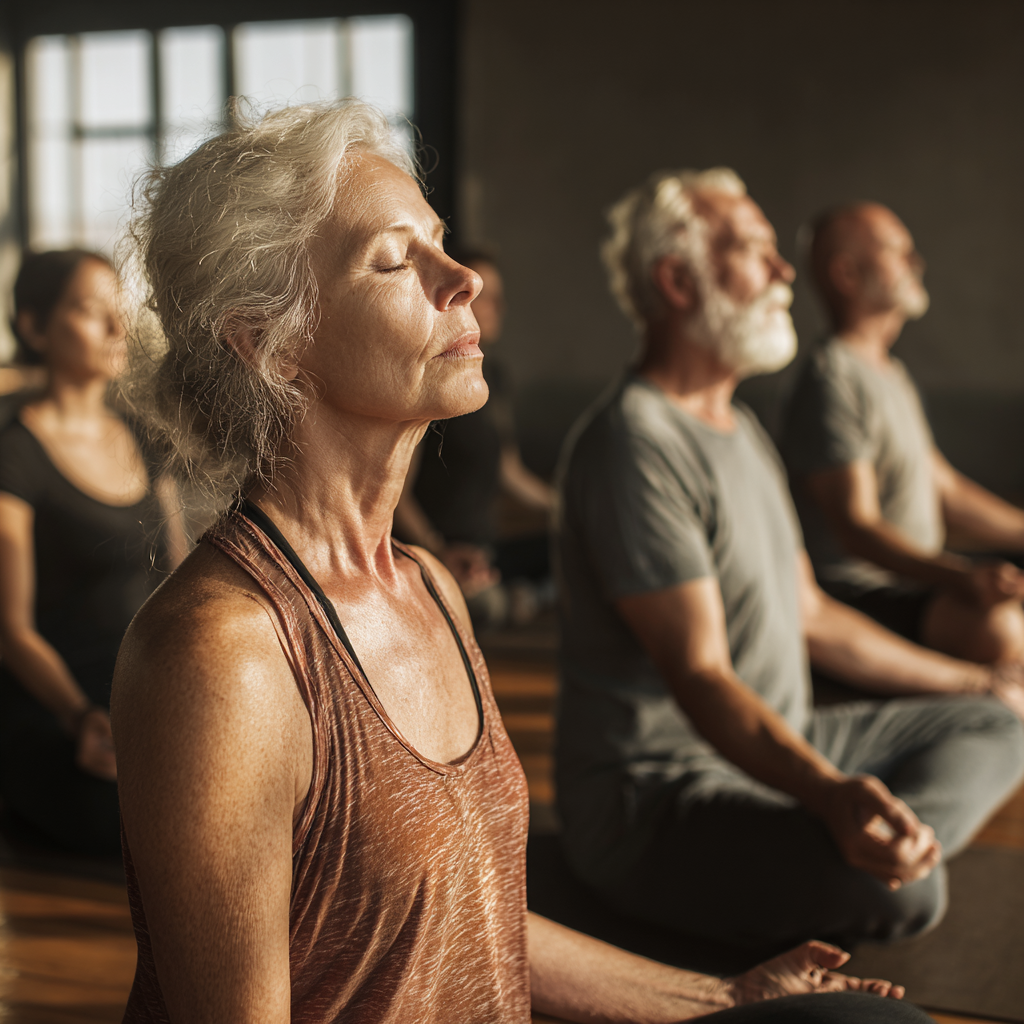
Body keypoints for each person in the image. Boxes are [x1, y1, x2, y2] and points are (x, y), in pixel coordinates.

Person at [110, 102, 920, 1023]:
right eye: (394, 259)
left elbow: (477, 913)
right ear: (273, 346)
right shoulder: (223, 656)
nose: (461, 280)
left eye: (440, 243)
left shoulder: (429, 586)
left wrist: (722, 996)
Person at [555, 167, 1024, 952]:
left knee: (1000, 721)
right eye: (752, 251)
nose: (781, 273)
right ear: (677, 280)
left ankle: (882, 840)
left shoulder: (742, 430)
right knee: (910, 893)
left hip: (788, 739)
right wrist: (828, 792)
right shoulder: (634, 443)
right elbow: (701, 676)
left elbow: (812, 615)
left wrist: (979, 681)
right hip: (663, 797)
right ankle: (879, 850)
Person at [0, 249, 185, 857]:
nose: (116, 328)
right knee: (157, 832)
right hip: (61, 707)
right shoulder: (17, 454)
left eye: (118, 309)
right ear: (33, 327)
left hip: (151, 691)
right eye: (89, 310)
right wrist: (80, 715)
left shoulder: (138, 433)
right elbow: (13, 631)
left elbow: (184, 578)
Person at [781, 203, 1024, 664]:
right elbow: (857, 527)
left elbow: (944, 487)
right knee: (999, 630)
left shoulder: (891, 373)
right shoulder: (831, 379)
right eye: (898, 251)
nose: (917, 262)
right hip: (857, 592)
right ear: (847, 274)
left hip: (917, 581)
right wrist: (959, 575)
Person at [393, 247, 554, 624]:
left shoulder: (493, 377)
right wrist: (436, 550)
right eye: (485, 297)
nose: (499, 306)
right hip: (447, 550)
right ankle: (514, 601)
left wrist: (564, 507)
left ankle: (524, 598)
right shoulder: (433, 376)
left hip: (490, 550)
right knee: (490, 606)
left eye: (499, 296)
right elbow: (397, 492)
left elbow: (509, 470)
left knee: (577, 546)